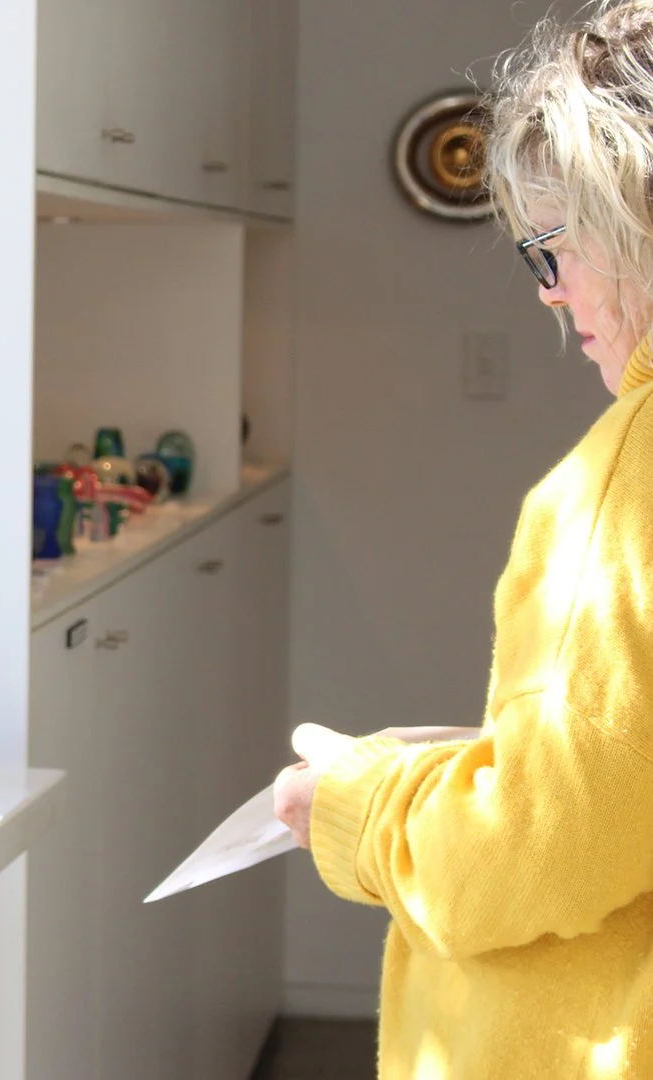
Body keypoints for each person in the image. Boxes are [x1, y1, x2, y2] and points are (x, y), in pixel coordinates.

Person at [273, 4, 653, 1076]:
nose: (552, 293)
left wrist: (360, 805)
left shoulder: (628, 477)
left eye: (555, 245)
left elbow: (539, 849)